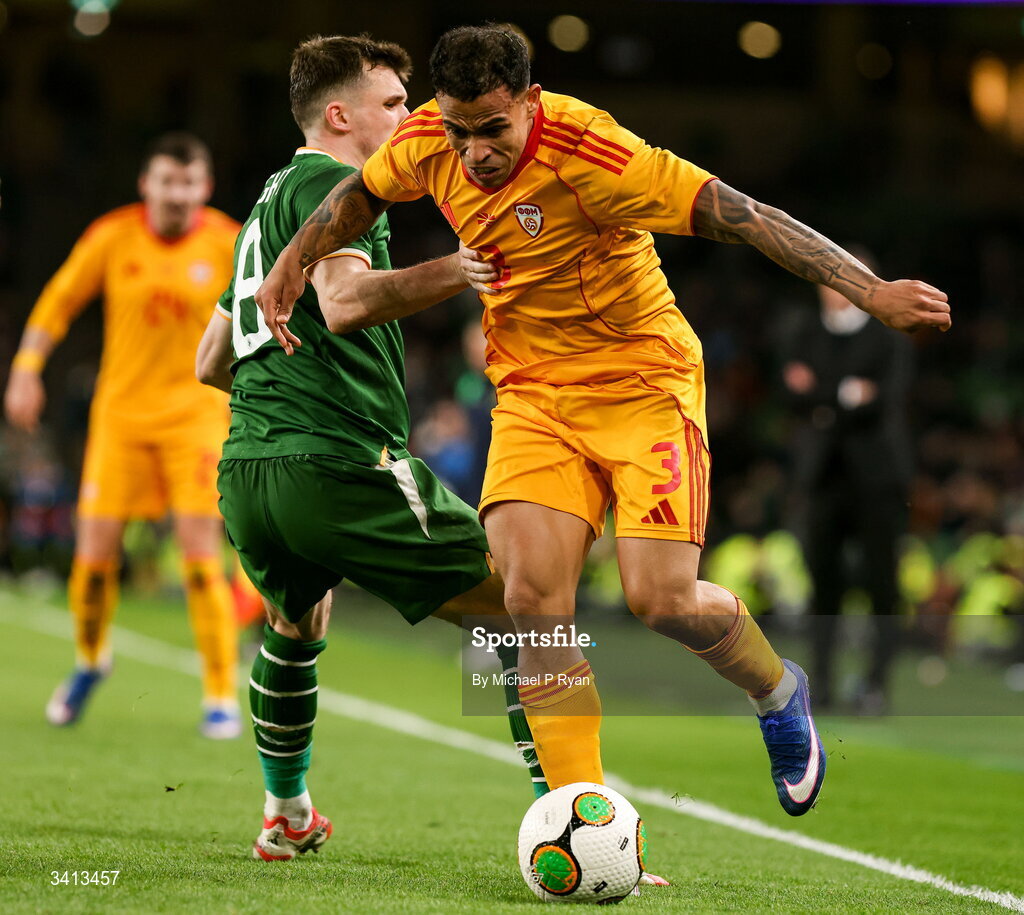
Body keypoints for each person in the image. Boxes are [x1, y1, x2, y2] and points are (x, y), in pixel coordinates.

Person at [255, 25, 953, 819]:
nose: (474, 152)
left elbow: (746, 215)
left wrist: (870, 292)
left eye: (493, 129)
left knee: (663, 600)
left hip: (643, 385)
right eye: (459, 130)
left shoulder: (598, 154)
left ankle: (777, 687)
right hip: (533, 394)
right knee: (531, 603)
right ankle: (581, 815)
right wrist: (292, 263)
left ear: (527, 99)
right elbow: (360, 196)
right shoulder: (427, 139)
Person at [196, 35, 576, 868]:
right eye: (397, 103)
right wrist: (464, 268)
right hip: (338, 460)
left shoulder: (264, 207)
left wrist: (279, 421)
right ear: (341, 115)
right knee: (529, 615)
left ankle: (285, 812)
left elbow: (209, 361)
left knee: (297, 628)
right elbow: (343, 302)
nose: (417, 115)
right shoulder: (336, 187)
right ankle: (574, 827)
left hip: (250, 471)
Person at [4, 132, 245, 739]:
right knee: (91, 563)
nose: (177, 194)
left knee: (199, 558)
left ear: (205, 188)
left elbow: (276, 301)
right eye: (166, 181)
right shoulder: (112, 236)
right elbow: (57, 302)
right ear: (146, 185)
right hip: (120, 418)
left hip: (196, 415)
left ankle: (220, 694)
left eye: (189, 183)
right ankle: (91, 661)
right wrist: (27, 368)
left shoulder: (229, 239)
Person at [782, 250, 914, 714]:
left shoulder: (887, 336)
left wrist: (822, 394)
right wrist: (845, 394)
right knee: (824, 584)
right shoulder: (805, 330)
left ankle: (876, 684)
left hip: (878, 480)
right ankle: (821, 685)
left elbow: (881, 400)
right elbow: (792, 391)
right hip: (824, 476)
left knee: (881, 584)